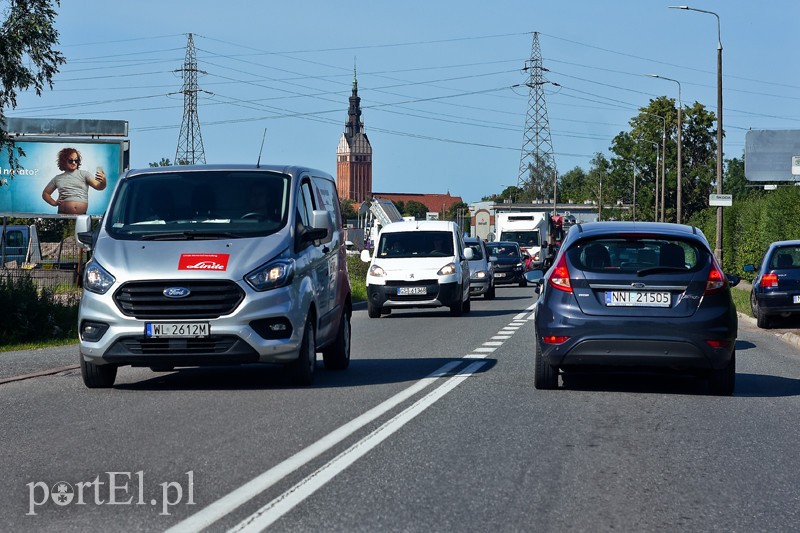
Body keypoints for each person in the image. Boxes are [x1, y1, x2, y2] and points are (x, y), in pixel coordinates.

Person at [41, 148, 106, 214]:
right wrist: (54, 203)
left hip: (81, 217)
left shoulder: (84, 174)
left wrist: (103, 182)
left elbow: (99, 187)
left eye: (76, 160)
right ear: (64, 161)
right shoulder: (57, 178)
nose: (74, 163)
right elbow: (45, 193)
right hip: (62, 216)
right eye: (70, 161)